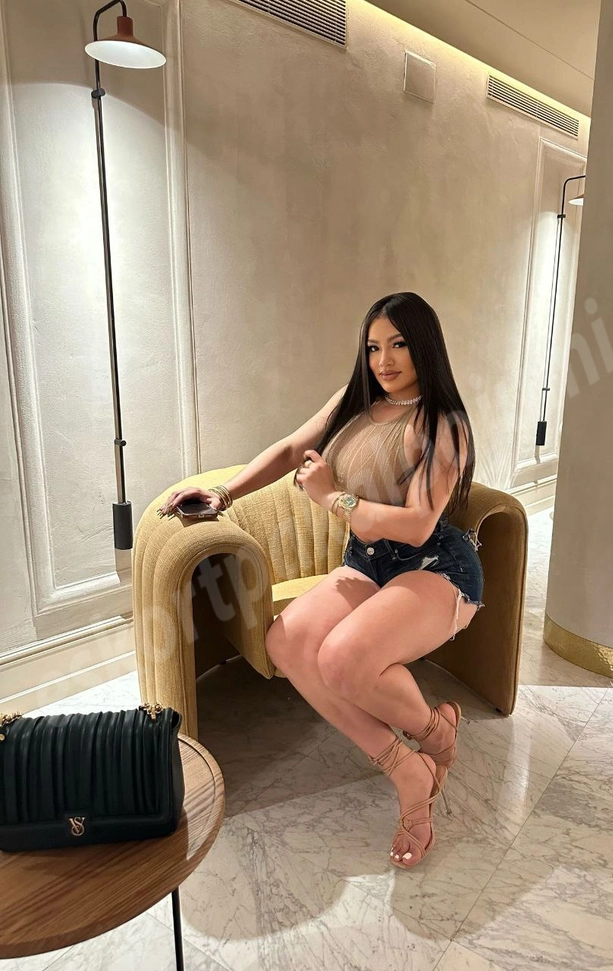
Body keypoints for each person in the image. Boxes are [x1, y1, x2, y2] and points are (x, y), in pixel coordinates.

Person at [159, 292, 485, 869]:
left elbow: (417, 524)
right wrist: (224, 494)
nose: (384, 360)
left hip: (434, 565)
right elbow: (292, 448)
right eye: (374, 347)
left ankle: (433, 738)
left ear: (425, 346)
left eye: (399, 345)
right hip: (368, 561)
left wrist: (333, 497)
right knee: (285, 642)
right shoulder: (353, 402)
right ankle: (408, 764)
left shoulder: (442, 423)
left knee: (342, 659)